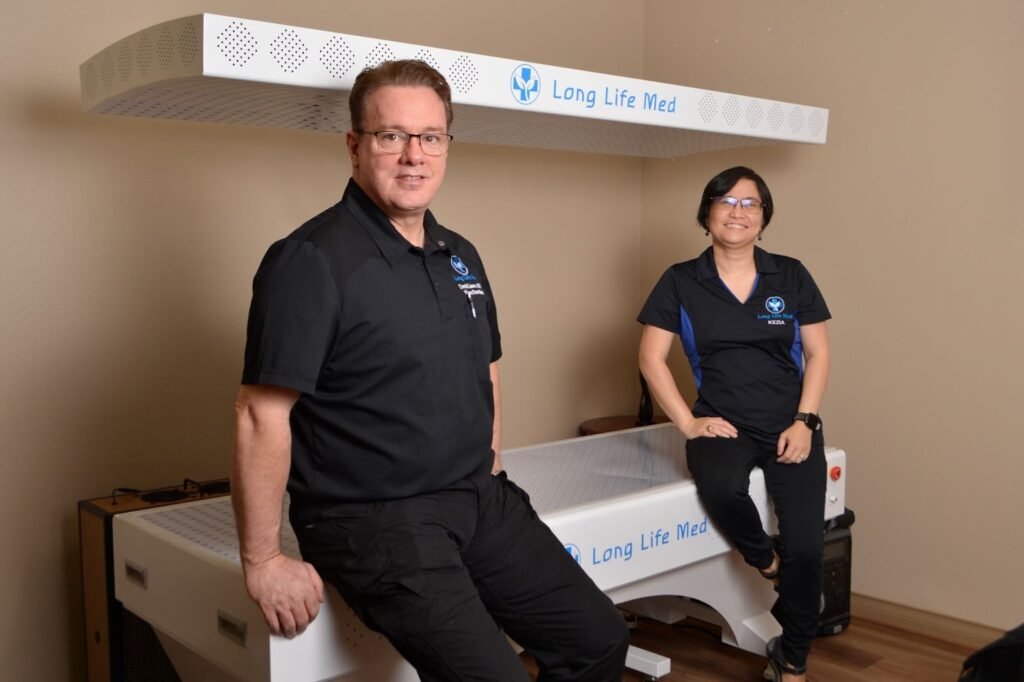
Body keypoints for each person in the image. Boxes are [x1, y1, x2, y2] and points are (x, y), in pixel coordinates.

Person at [231, 59, 629, 682]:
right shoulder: (311, 260)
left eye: (430, 137)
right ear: (355, 145)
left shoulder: (458, 254)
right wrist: (262, 560)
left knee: (599, 639)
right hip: (372, 518)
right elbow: (261, 412)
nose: (413, 154)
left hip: (475, 498)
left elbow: (486, 367)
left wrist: (489, 466)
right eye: (391, 136)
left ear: (447, 146)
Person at [637, 166, 831, 681]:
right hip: (722, 421)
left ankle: (792, 658)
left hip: (790, 422)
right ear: (707, 215)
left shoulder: (789, 274)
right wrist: (687, 423)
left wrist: (805, 421)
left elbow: (818, 352)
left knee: (809, 549)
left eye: (750, 203)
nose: (737, 211)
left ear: (764, 218)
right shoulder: (680, 280)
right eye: (726, 201)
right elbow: (651, 358)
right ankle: (768, 562)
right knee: (722, 488)